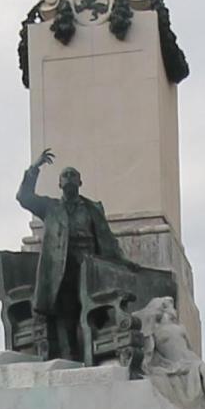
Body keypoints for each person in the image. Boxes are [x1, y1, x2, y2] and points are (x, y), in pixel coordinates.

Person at [16, 148, 129, 361]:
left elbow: (106, 239)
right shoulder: (50, 207)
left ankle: (97, 355)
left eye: (73, 175)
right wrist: (34, 168)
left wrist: (122, 262)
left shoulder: (92, 208)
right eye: (65, 175)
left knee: (94, 311)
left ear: (80, 182)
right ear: (59, 184)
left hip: (89, 267)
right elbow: (24, 197)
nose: (69, 178)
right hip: (62, 270)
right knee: (66, 313)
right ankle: (71, 356)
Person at [134, 296, 205, 409]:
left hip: (192, 360)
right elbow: (150, 352)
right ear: (162, 309)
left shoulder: (180, 328)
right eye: (171, 307)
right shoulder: (154, 331)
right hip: (176, 364)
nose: (175, 310)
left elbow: (189, 348)